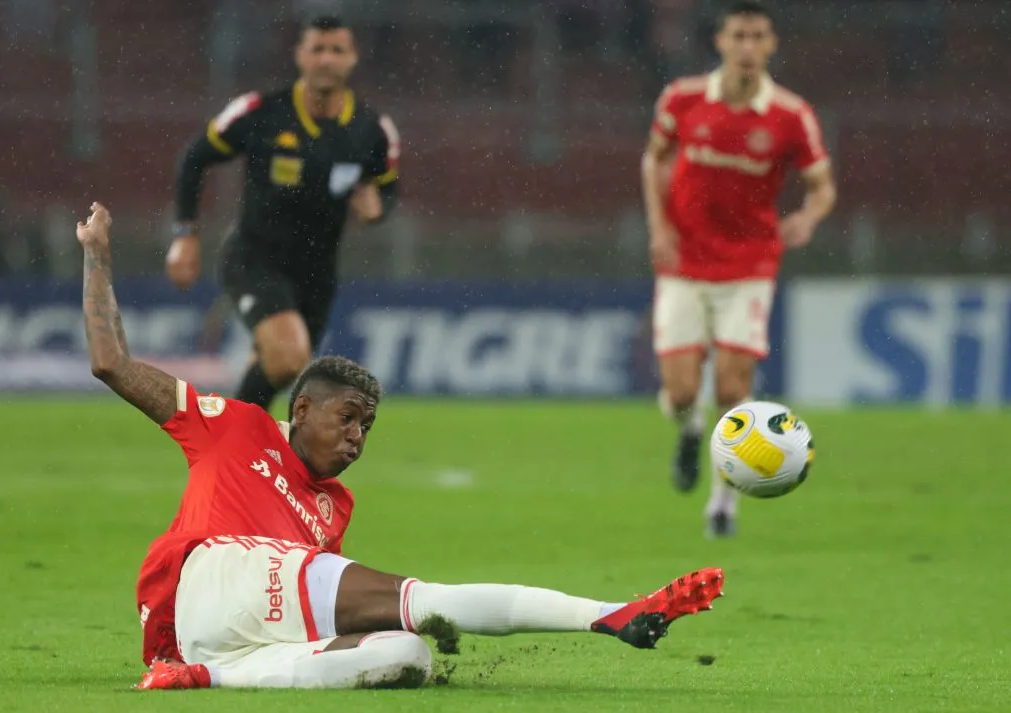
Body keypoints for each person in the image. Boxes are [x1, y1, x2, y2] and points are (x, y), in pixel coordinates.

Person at [77, 203, 724, 690]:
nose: (357, 437)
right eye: (348, 417)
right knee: (423, 598)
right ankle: (609, 613)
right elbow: (111, 362)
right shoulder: (237, 425)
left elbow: (320, 610)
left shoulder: (334, 507)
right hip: (216, 572)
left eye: (367, 427)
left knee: (405, 655)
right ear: (301, 409)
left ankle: (200, 678)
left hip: (216, 642)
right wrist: (96, 253)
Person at [641, 0, 836, 538]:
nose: (748, 46)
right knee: (680, 393)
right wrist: (658, 227)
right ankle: (689, 430)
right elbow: (654, 157)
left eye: (758, 36)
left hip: (749, 266)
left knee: (733, 387)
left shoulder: (791, 115)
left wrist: (808, 217)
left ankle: (723, 503)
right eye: (739, 35)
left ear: (770, 45)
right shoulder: (681, 98)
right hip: (683, 262)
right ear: (721, 41)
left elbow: (822, 185)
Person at [166, 15, 400, 412]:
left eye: (336, 50)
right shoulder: (262, 112)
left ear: (353, 58)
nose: (326, 59)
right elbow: (195, 157)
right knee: (289, 356)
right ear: (300, 56)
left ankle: (235, 451)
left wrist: (378, 208)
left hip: (317, 271)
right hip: (254, 258)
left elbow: (387, 185)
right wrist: (185, 235)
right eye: (317, 49)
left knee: (279, 369)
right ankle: (232, 447)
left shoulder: (371, 129)